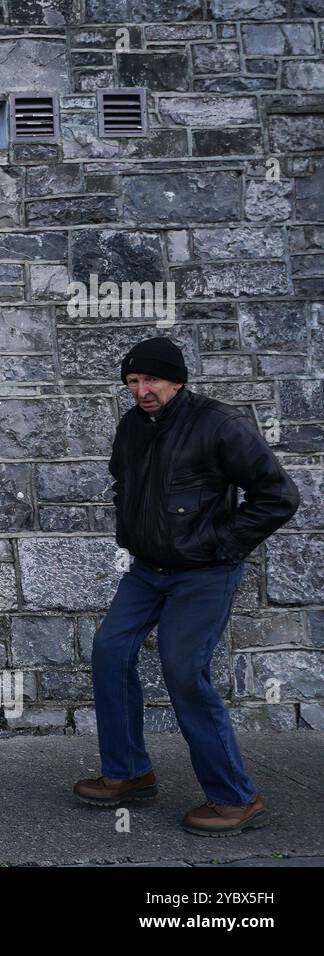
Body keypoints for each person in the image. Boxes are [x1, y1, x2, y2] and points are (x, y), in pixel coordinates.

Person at [72, 336, 300, 836]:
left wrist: (220, 544)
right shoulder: (133, 425)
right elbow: (124, 481)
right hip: (146, 570)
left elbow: (278, 496)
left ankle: (236, 798)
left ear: (177, 379)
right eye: (133, 382)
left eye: (150, 379)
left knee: (183, 671)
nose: (141, 390)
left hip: (203, 573)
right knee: (110, 652)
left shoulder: (219, 424)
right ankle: (129, 773)